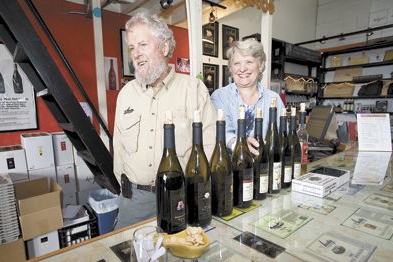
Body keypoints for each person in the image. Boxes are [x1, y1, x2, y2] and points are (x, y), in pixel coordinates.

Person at [113, 13, 216, 229]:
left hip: (181, 198)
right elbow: (119, 151)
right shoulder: (125, 95)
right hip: (134, 203)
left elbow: (208, 147)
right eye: (132, 48)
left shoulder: (194, 90)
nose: (136, 54)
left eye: (143, 44)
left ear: (164, 47)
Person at [211, 38, 284, 155]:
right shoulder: (219, 97)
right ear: (231, 68)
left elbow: (282, 135)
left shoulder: (273, 99)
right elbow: (220, 131)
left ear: (260, 65)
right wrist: (239, 145)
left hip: (265, 165)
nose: (242, 68)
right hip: (231, 168)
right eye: (237, 63)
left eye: (249, 62)